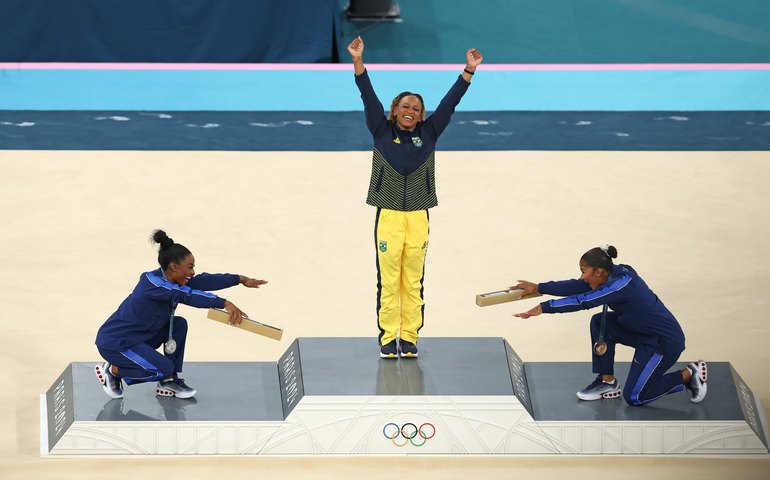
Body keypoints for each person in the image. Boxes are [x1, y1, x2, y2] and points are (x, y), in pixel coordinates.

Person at [347, 36, 483, 359]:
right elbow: (367, 96)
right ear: (394, 111)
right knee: (389, 279)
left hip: (419, 216)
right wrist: (358, 62)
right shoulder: (380, 130)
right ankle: (386, 337)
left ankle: (409, 338)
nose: (410, 111)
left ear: (422, 117)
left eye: (416, 109)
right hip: (389, 217)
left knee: (414, 280)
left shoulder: (430, 133)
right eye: (405, 106)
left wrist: (468, 71)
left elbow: (450, 103)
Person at [513, 245, 708, 406]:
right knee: (600, 322)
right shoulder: (607, 276)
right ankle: (607, 382)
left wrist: (544, 307)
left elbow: (584, 301)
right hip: (640, 333)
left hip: (663, 343)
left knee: (635, 397)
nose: (581, 276)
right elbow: (577, 286)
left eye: (583, 271)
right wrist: (539, 287)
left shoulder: (621, 284)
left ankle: (689, 374)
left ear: (598, 271)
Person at [94, 229, 267, 399]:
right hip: (117, 342)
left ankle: (168, 381)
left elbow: (205, 280)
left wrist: (240, 279)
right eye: (190, 267)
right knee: (163, 368)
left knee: (178, 324)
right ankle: (113, 370)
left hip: (139, 337)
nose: (192, 272)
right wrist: (224, 303)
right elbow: (186, 295)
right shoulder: (151, 282)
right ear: (173, 267)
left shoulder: (175, 278)